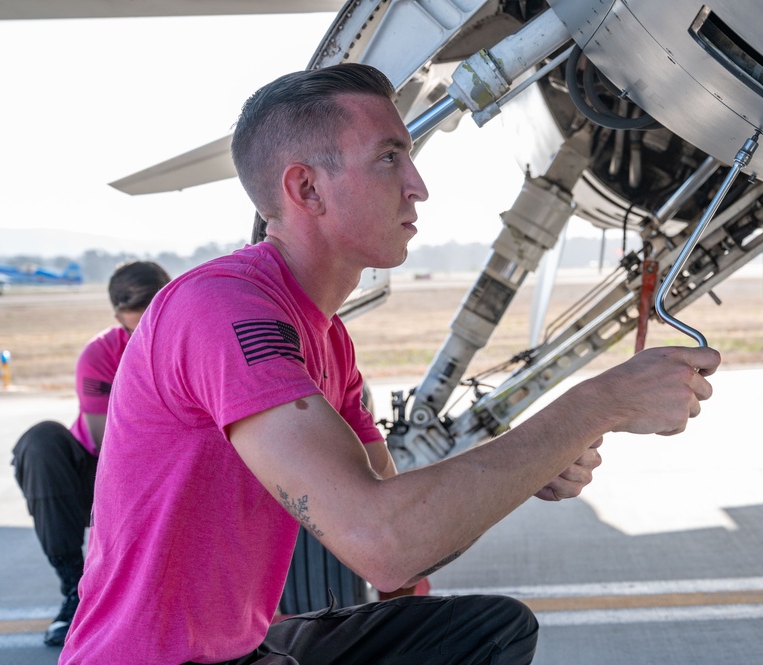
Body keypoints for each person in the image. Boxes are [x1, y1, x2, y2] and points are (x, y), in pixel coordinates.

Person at [61, 63, 720, 664]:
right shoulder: (222, 308)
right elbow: (384, 541)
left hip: (242, 645)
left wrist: (534, 461)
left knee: (486, 631)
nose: (419, 186)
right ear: (306, 188)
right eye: (389, 157)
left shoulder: (324, 338)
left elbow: (400, 562)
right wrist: (592, 405)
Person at [11, 260, 171, 646]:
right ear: (118, 316)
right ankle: (74, 589)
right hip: (103, 474)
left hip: (174, 471)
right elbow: (108, 448)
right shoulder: (99, 354)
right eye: (135, 328)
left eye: (157, 321)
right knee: (41, 442)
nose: (146, 336)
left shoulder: (192, 340)